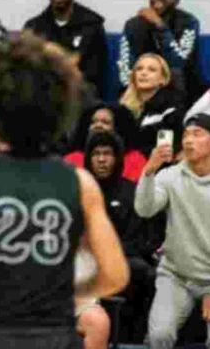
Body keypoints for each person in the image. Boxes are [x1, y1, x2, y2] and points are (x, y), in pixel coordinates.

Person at [0, 33, 129, 348]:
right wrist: (67, 294)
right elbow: (116, 273)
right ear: (60, 112)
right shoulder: (81, 183)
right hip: (55, 333)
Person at [134, 113, 210, 349]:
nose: (188, 140)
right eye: (186, 135)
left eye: (197, 134)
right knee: (159, 336)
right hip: (176, 275)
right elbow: (145, 209)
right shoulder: (170, 176)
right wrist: (149, 171)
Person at [83, 130, 156, 343]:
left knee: (146, 273)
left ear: (117, 158)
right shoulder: (80, 190)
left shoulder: (131, 192)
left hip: (123, 258)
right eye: (96, 154)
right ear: (89, 158)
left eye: (108, 153)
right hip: (84, 259)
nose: (102, 159)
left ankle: (136, 340)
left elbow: (139, 239)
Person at [118, 0, 206, 102]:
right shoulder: (133, 25)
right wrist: (134, 88)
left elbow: (179, 62)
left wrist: (160, 25)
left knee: (177, 74)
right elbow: (125, 67)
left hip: (179, 88)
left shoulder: (189, 22)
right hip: (141, 89)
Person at [23, 0, 108, 96]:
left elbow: (96, 74)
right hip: (44, 95)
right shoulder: (34, 27)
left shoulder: (92, 25)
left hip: (80, 94)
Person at [119, 53, 186, 156]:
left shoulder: (173, 108)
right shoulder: (122, 107)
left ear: (163, 79)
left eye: (151, 70)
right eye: (139, 69)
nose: (143, 73)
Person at [64, 102, 148, 182]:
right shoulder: (72, 159)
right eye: (93, 122)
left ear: (119, 128)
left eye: (105, 122)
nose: (98, 125)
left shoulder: (135, 159)